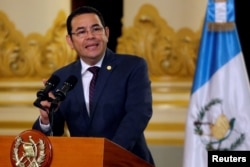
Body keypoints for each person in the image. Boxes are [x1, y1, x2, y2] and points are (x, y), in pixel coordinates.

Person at [32, 6, 154, 165]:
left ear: (107, 33)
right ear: (70, 41)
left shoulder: (132, 67)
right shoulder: (61, 77)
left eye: (96, 29)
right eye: (81, 32)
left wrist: (107, 157)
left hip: (125, 162)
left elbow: (138, 114)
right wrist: (46, 119)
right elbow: (49, 134)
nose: (90, 36)